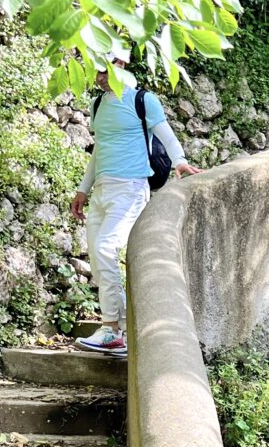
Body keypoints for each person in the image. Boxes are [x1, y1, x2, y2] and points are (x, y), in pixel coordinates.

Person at [70, 48, 200, 357]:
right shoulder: (97, 103)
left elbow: (165, 135)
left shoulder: (142, 100)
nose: (99, 76)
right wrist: (83, 189)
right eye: (95, 69)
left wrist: (179, 161)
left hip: (130, 189)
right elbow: (100, 150)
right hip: (102, 190)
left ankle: (112, 331)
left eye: (104, 69)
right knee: (99, 259)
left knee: (105, 249)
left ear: (121, 63)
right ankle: (120, 328)